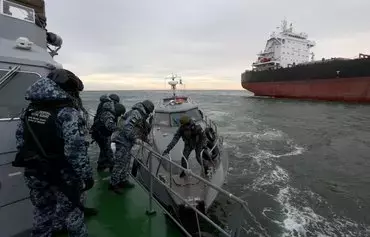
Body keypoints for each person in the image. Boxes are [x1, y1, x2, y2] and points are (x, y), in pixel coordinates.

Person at [13, 69, 94, 237]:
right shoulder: (68, 113)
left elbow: (21, 141)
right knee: (73, 214)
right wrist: (86, 175)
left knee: (43, 212)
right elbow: (75, 150)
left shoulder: (29, 110)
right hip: (63, 175)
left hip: (36, 172)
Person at [109, 100, 154, 194]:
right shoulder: (136, 113)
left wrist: (146, 140)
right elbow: (127, 128)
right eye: (149, 112)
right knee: (120, 162)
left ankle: (123, 180)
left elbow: (139, 128)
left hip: (127, 141)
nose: (148, 114)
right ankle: (114, 184)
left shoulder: (139, 114)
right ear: (147, 109)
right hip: (122, 140)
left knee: (126, 161)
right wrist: (135, 139)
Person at [91, 94, 125, 172]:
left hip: (98, 132)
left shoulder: (103, 107)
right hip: (101, 133)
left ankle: (101, 165)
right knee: (108, 151)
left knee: (103, 150)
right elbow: (110, 125)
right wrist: (119, 130)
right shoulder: (108, 113)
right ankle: (112, 169)